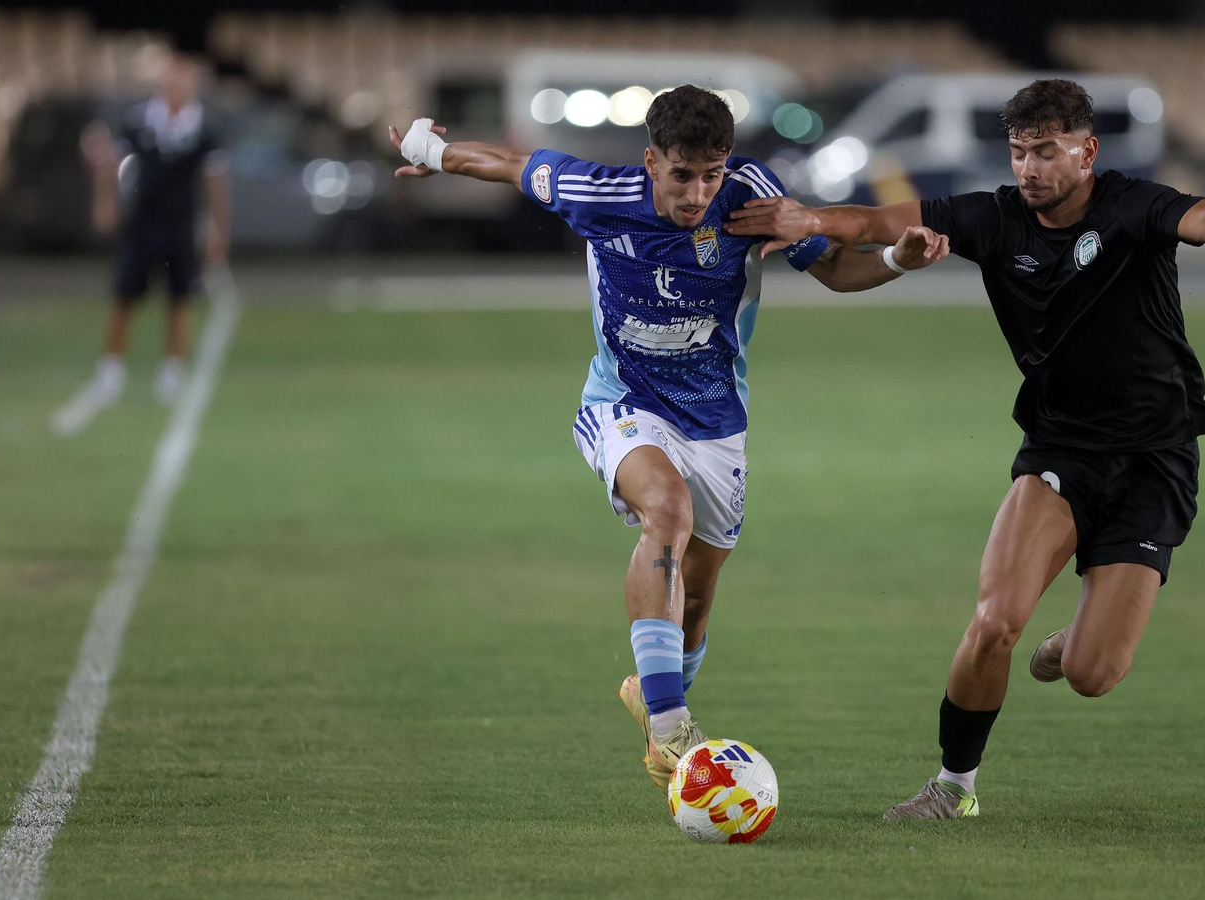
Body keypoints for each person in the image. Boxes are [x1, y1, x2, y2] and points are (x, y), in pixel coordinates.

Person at [726, 78, 1205, 819]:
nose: (1030, 169)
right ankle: (953, 787)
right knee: (993, 622)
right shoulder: (993, 219)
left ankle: (1076, 640)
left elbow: (1204, 215)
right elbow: (874, 219)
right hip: (1060, 450)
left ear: (1086, 152)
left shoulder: (1131, 206)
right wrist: (809, 218)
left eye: (1046, 152)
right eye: (1019, 153)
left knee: (1091, 673)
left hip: (1156, 460)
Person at [388, 85, 948, 786]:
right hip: (625, 403)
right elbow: (506, 162)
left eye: (711, 174)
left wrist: (898, 260)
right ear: (651, 160)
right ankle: (671, 724)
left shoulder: (749, 199)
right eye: (682, 174)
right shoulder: (595, 191)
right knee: (667, 511)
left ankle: (656, 701)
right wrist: (430, 149)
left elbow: (835, 268)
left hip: (716, 421)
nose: (697, 192)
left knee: (702, 594)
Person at [80, 53, 229, 406]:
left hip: (180, 223)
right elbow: (111, 163)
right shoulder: (138, 120)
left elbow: (216, 182)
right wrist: (105, 202)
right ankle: (110, 370)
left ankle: (172, 371)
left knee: (180, 298)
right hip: (142, 221)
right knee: (125, 294)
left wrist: (217, 228)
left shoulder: (204, 127)